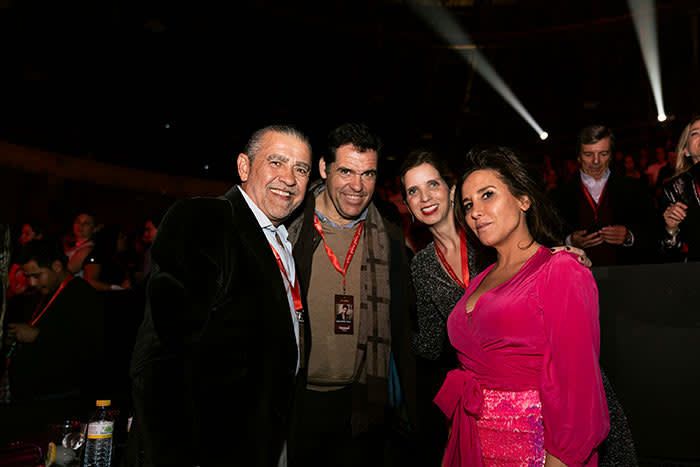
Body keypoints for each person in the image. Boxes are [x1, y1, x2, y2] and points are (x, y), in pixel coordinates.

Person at [128, 124, 313, 467]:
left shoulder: (282, 241)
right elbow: (161, 359)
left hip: (266, 439)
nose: (289, 178)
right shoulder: (205, 220)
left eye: (300, 169)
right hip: (210, 446)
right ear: (244, 167)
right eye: (276, 162)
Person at [435, 145, 609, 466]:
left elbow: (577, 389)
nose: (475, 211)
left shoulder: (561, 269)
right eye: (468, 204)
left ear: (523, 200)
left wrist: (559, 460)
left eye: (488, 195)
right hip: (472, 445)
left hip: (535, 451)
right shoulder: (480, 279)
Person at [287, 122, 416, 467]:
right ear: (324, 169)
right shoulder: (288, 227)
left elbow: (404, 326)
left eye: (368, 174)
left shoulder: (387, 238)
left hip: (361, 406)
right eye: (346, 171)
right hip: (295, 404)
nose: (357, 187)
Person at [3, 238, 105, 403]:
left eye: (37, 275)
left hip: (61, 397)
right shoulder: (35, 295)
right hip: (28, 395)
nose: (31, 283)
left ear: (57, 266)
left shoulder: (82, 295)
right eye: (28, 276)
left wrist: (38, 336)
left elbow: (86, 348)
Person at [551, 124, 655, 266]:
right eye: (588, 154)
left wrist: (629, 236)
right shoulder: (559, 195)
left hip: (625, 275)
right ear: (578, 157)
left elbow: (654, 231)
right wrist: (569, 241)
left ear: (611, 155)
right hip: (576, 277)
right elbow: (545, 238)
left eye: (603, 154)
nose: (596, 161)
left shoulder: (635, 188)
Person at [660, 115, 700, 262]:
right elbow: (668, 253)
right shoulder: (674, 189)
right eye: (695, 133)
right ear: (686, 150)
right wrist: (671, 229)